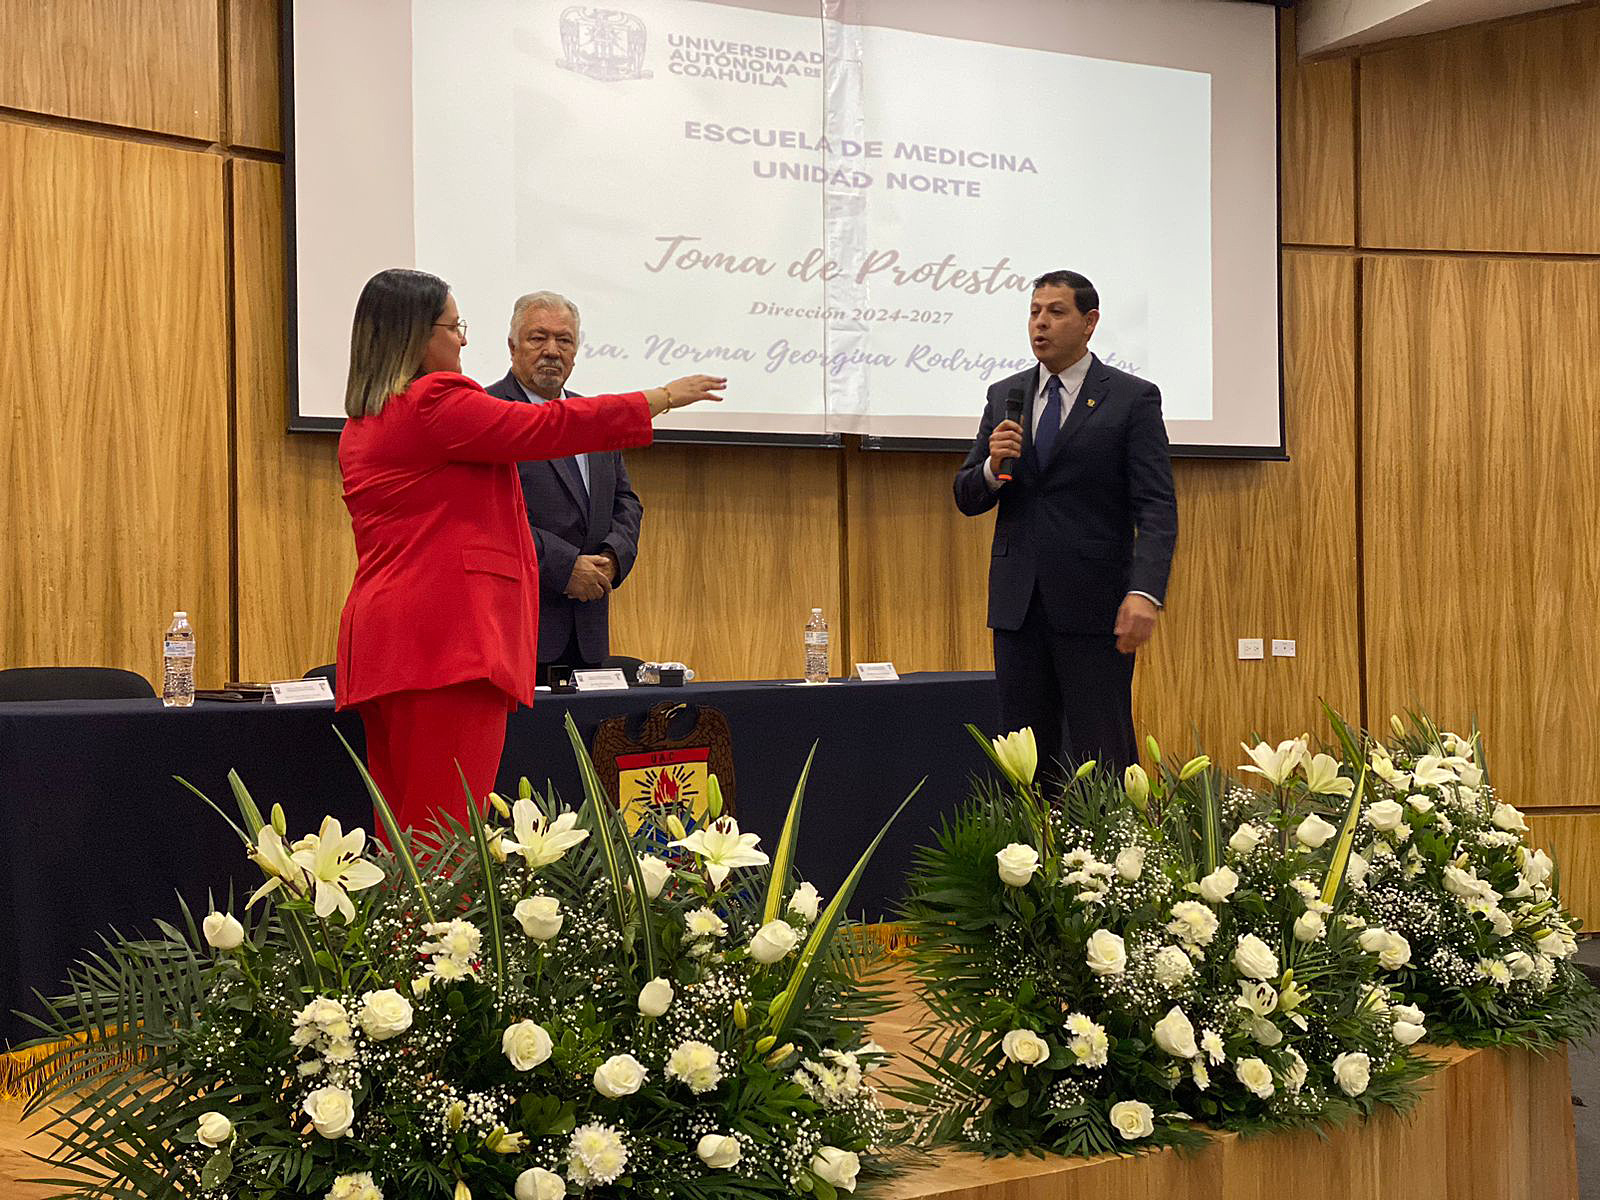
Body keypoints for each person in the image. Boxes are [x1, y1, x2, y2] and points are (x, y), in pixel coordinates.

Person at [335, 268, 725, 832]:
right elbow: (547, 428)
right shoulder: (434, 403)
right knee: (445, 841)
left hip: (392, 643)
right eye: (453, 326)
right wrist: (659, 398)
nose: (462, 339)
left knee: (405, 839)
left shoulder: (367, 417)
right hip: (447, 647)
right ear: (419, 335)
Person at [953, 269, 1178, 777]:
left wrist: (1145, 592)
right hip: (1018, 608)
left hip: (1096, 606)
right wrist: (991, 467)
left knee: (1103, 755)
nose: (1040, 324)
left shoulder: (1130, 398)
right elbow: (967, 496)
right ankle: (1027, 854)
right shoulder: (1004, 395)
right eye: (1034, 312)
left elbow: (1157, 506)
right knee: (1025, 762)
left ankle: (1110, 856)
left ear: (1089, 322)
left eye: (1056, 312)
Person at [484, 292, 641, 681]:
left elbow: (625, 501)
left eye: (564, 340)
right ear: (512, 346)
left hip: (588, 633)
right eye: (538, 338)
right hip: (517, 630)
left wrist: (612, 557)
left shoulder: (593, 417)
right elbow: (491, 516)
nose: (552, 350)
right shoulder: (488, 413)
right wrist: (565, 567)